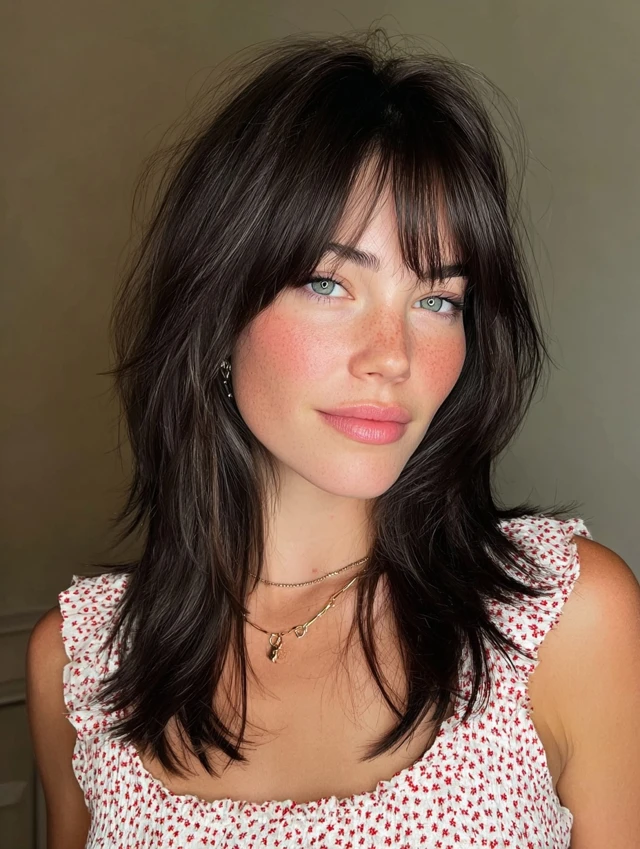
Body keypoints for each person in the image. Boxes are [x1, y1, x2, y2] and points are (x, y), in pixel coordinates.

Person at [25, 28, 640, 849]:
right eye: (328, 283)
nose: (392, 356)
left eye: (438, 300)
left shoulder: (566, 618)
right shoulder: (85, 662)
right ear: (218, 312)